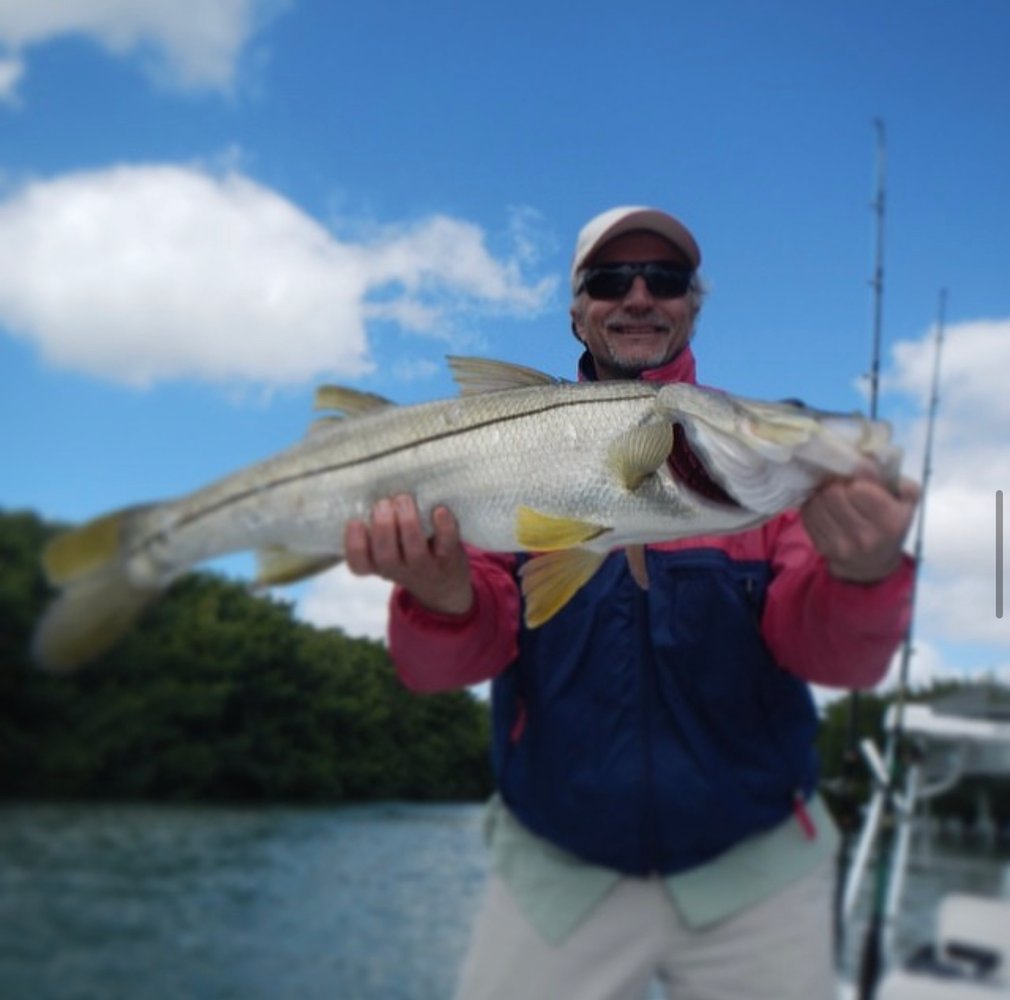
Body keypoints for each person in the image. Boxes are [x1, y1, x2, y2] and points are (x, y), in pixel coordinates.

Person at [343, 206, 919, 1000]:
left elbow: (836, 659)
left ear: (693, 304)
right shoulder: (495, 466)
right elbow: (438, 669)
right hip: (558, 870)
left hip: (753, 871)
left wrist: (867, 575)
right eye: (610, 280)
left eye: (666, 279)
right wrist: (440, 598)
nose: (639, 295)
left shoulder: (767, 475)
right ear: (577, 312)